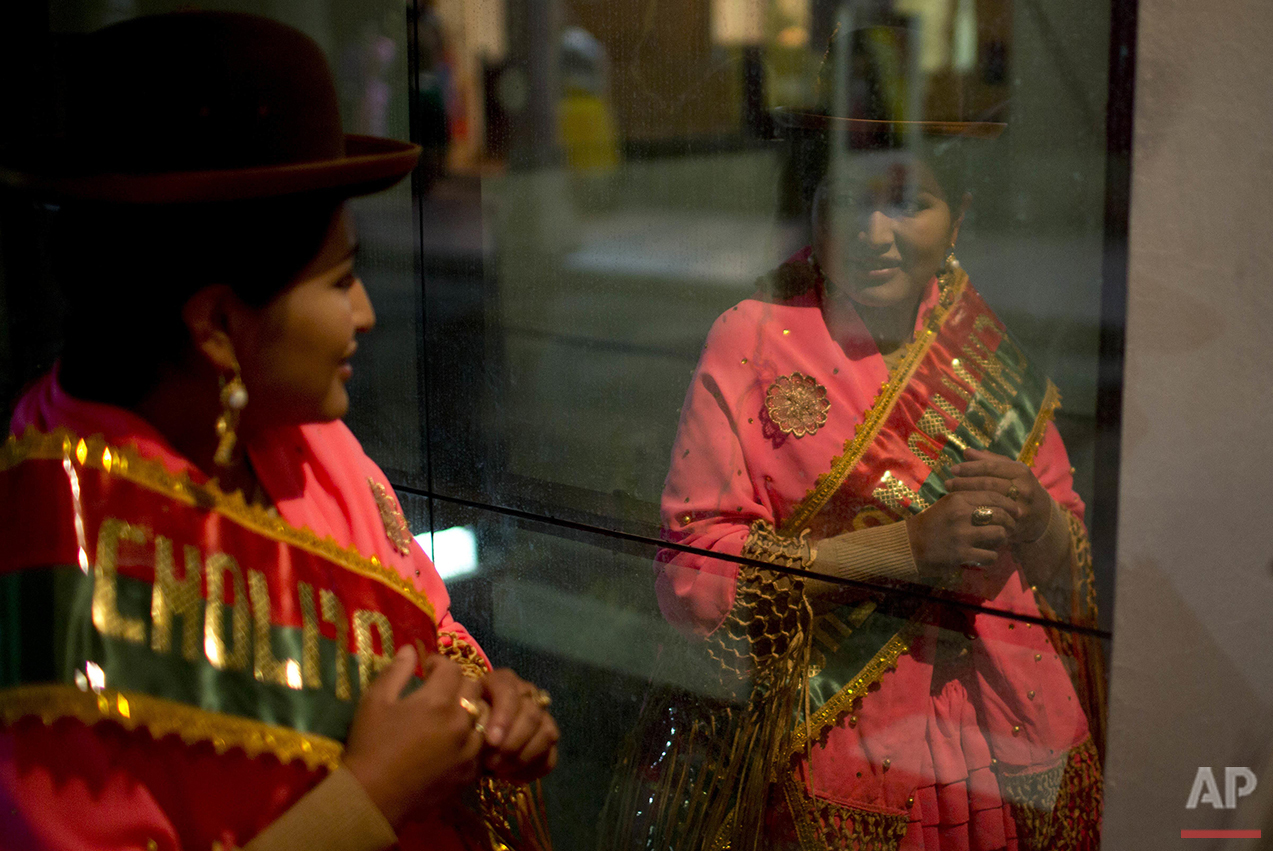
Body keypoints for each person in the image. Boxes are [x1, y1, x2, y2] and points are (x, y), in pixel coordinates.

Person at [0, 13, 556, 851]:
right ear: (219, 326)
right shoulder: (57, 548)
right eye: (340, 281)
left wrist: (489, 707)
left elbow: (425, 634)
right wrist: (373, 793)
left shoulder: (305, 443)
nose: (366, 314)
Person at [605, 33, 1104, 851]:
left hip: (999, 739)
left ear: (960, 218)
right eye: (847, 199)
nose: (873, 232)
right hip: (826, 736)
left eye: (907, 201)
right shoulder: (753, 338)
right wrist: (904, 549)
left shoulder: (980, 347)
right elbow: (694, 572)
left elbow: (1070, 558)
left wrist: (1036, 520)